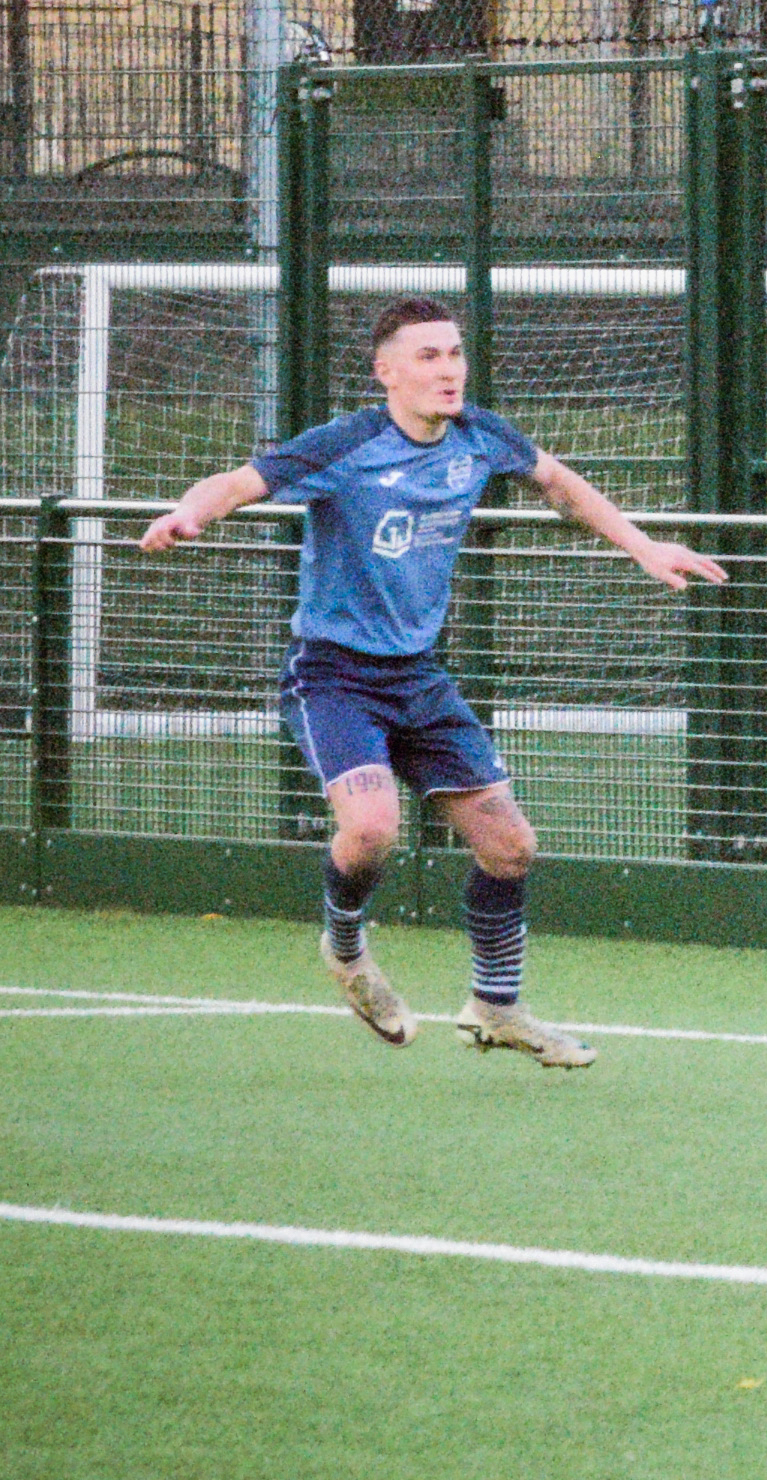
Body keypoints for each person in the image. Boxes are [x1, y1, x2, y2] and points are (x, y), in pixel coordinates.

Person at [140, 295, 729, 1065]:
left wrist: (643, 545)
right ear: (386, 372)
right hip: (334, 675)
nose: (448, 369)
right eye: (428, 356)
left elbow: (558, 483)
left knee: (511, 844)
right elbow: (237, 480)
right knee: (373, 826)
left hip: (417, 678)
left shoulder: (480, 436)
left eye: (454, 353)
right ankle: (346, 948)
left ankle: (496, 1005)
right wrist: (189, 514)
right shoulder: (346, 444)